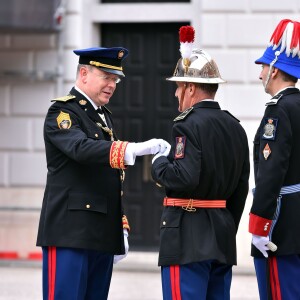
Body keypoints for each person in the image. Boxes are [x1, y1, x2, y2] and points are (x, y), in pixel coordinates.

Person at [36, 46, 169, 300]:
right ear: (84, 73)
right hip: (70, 231)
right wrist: (131, 149)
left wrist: (120, 224)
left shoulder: (103, 116)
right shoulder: (63, 112)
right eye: (106, 77)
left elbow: (110, 179)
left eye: (115, 79)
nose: (112, 85)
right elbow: (80, 148)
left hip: (101, 231)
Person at [151, 25, 250, 300]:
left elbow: (185, 177)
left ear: (191, 88)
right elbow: (241, 188)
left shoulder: (186, 125)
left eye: (178, 87)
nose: (175, 94)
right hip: (221, 236)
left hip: (186, 240)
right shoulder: (236, 127)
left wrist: (159, 163)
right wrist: (226, 225)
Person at [249, 19, 300, 299]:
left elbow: (271, 171)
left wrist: (259, 225)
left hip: (281, 224)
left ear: (276, 70)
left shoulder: (278, 111)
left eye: (264, 67)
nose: (260, 74)